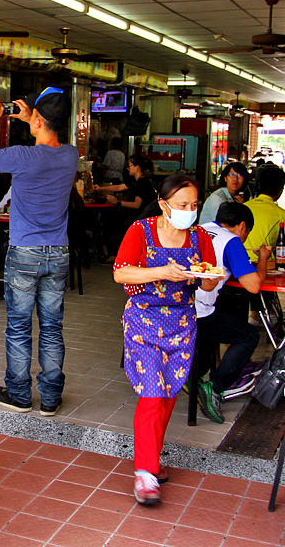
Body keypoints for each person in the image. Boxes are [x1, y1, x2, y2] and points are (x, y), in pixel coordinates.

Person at [0, 86, 77, 417]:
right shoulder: (71, 154)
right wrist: (32, 117)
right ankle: (51, 397)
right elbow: (47, 137)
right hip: (58, 253)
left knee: (18, 326)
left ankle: (18, 394)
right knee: (52, 326)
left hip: (24, 252)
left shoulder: (22, 156)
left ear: (40, 120)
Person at [113, 173, 220, 505]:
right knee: (151, 394)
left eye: (194, 205)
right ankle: (145, 474)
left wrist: (205, 277)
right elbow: (121, 272)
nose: (190, 210)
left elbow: (209, 282)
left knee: (169, 393)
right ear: (163, 204)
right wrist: (161, 272)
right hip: (143, 320)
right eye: (182, 204)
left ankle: (151, 460)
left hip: (182, 323)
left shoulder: (199, 237)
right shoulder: (140, 230)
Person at [194, 202, 268, 424]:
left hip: (179, 308)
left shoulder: (199, 228)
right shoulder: (230, 239)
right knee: (248, 335)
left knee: (219, 319)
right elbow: (253, 285)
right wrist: (263, 257)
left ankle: (193, 374)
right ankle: (215, 387)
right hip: (199, 313)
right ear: (242, 226)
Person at [243, 165, 285, 262]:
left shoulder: (243, 207)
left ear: (259, 186)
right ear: (281, 191)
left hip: (237, 261)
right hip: (266, 264)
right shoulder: (281, 215)